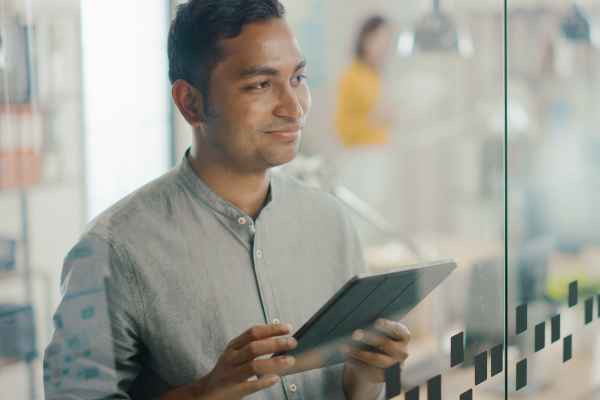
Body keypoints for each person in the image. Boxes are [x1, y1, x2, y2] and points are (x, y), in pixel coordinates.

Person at [43, 1, 409, 399]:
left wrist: (370, 374)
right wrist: (204, 392)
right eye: (260, 84)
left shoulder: (330, 221)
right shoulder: (114, 249)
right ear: (191, 103)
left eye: (298, 77)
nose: (294, 107)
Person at [336, 16, 394, 148]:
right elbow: (340, 126)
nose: (384, 49)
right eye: (382, 42)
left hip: (381, 150)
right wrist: (375, 119)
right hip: (359, 152)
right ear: (367, 39)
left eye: (387, 44)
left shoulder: (376, 74)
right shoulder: (350, 75)